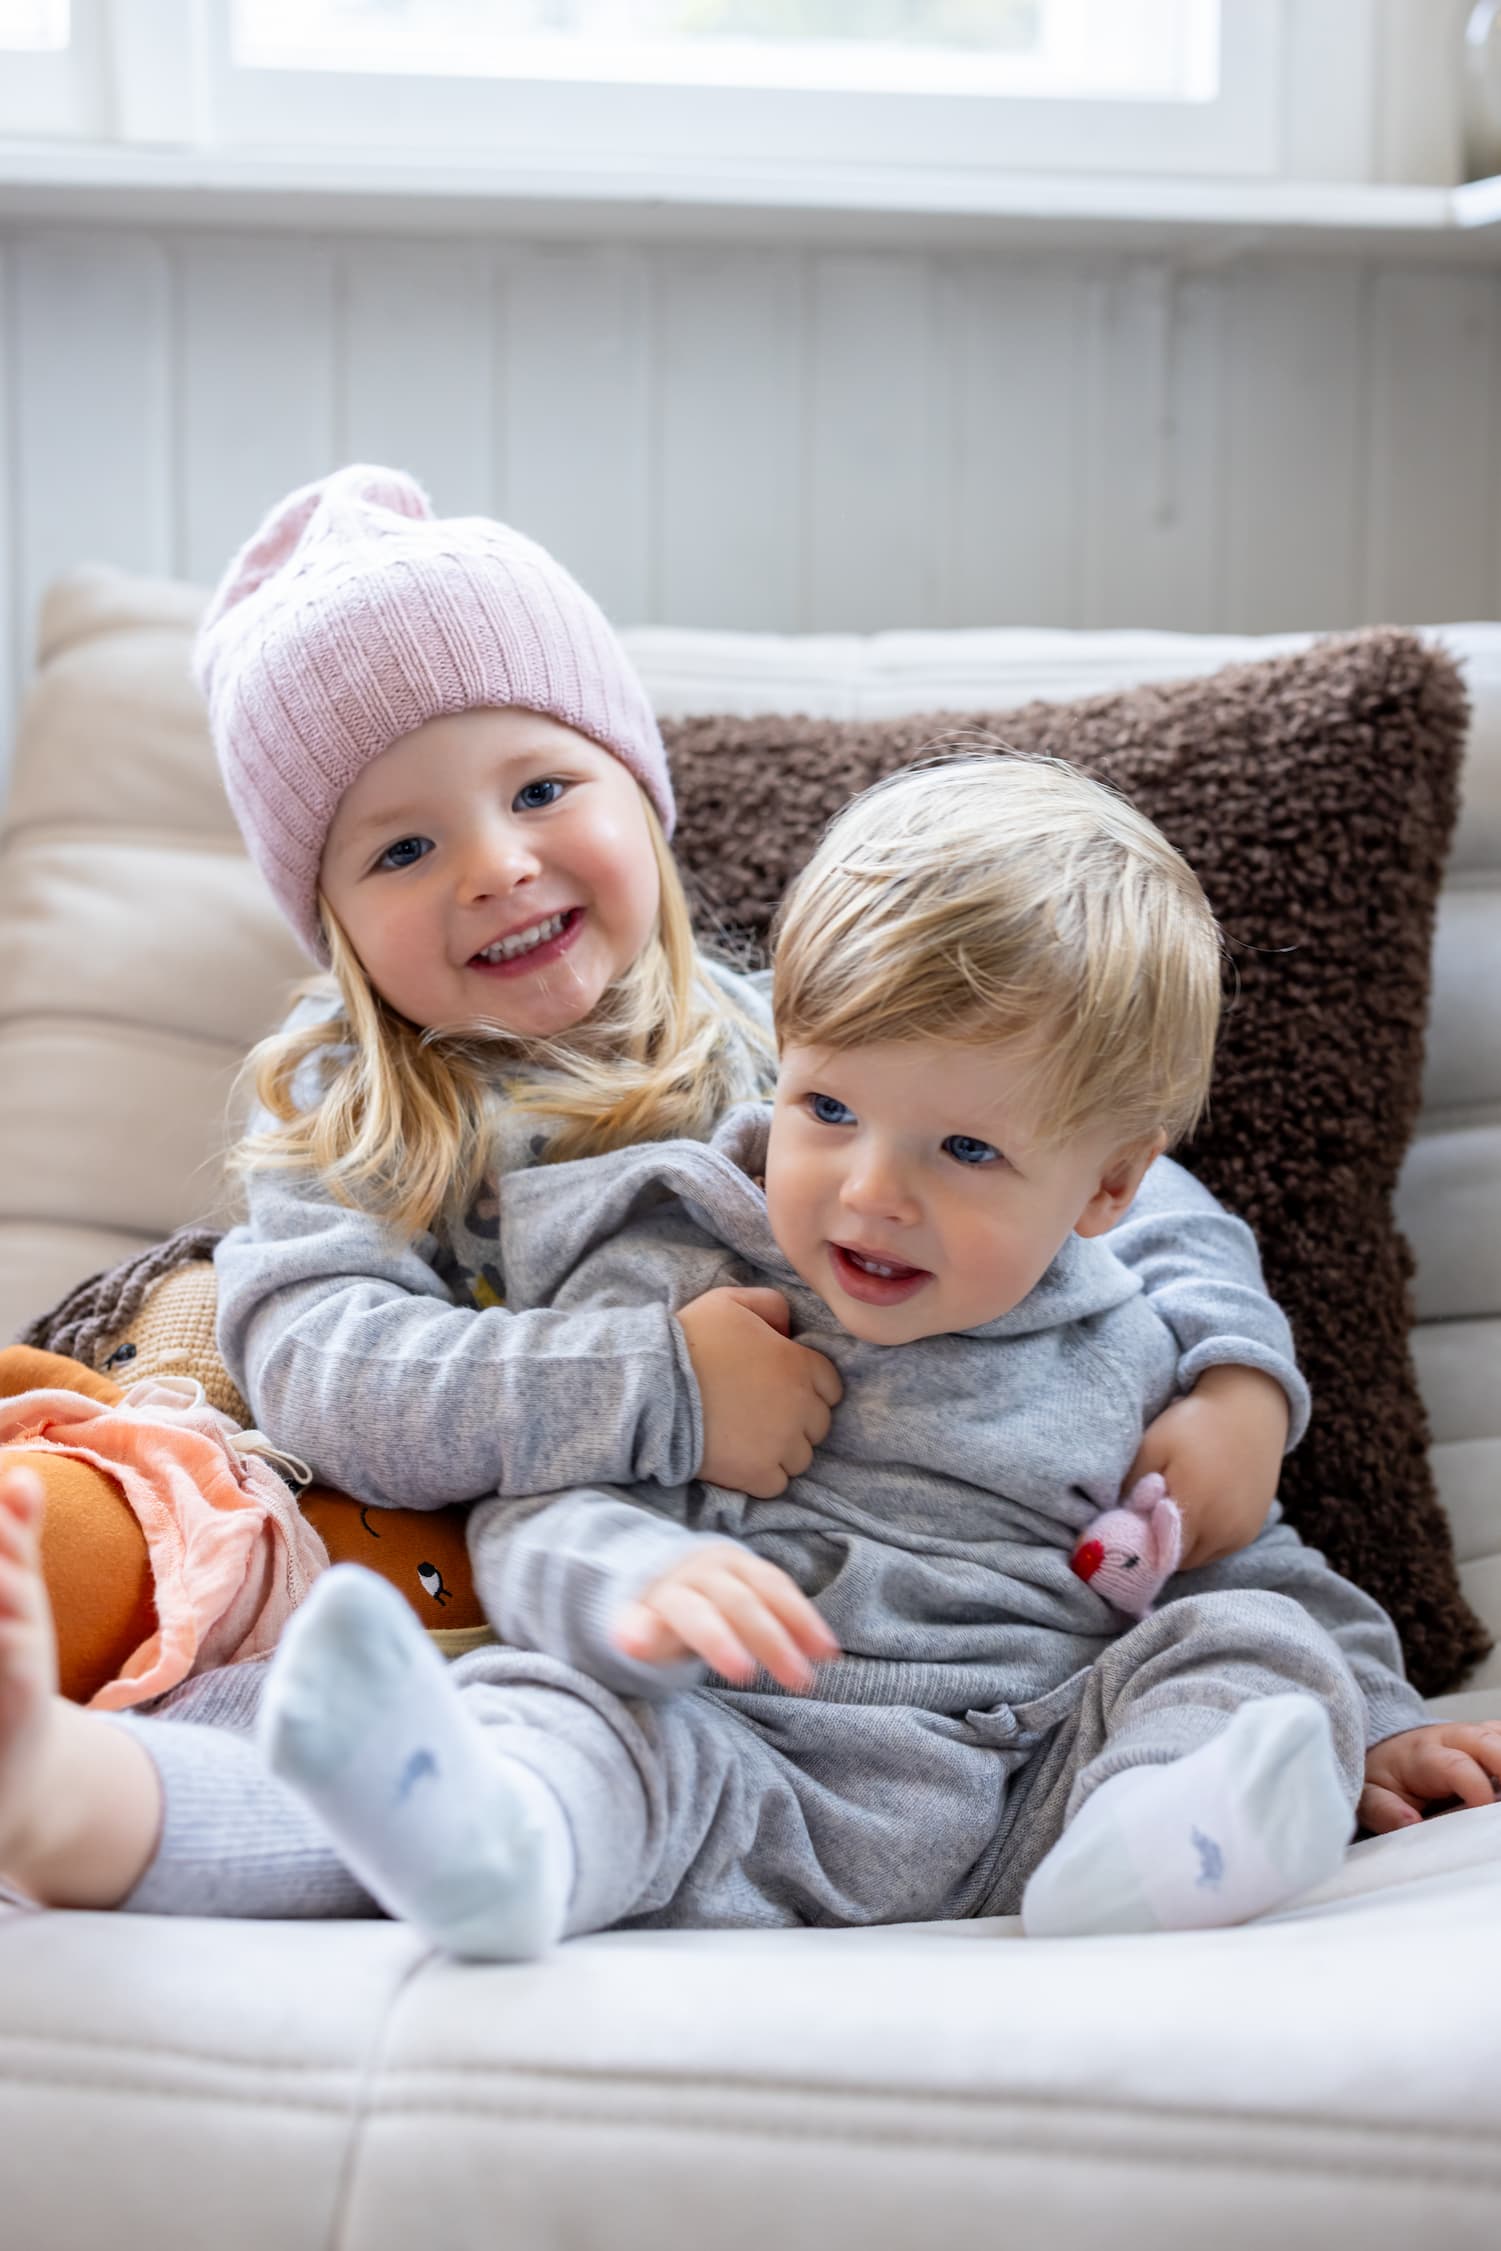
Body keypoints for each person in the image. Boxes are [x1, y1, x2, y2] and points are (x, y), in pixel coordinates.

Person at [0, 465, 1424, 1919]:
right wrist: (663, 1384)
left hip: (1028, 1726)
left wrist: (1236, 1386)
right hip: (686, 1670)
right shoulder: (360, 1119)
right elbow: (323, 1370)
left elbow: (1119, 1183)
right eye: (403, 847)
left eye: (541, 789)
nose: (496, 865)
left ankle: (1168, 1843)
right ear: (333, 918)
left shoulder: (801, 1041)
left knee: (1247, 1645)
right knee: (547, 1730)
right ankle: (111, 1807)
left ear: (640, 791)